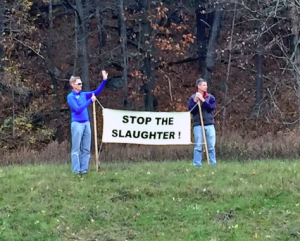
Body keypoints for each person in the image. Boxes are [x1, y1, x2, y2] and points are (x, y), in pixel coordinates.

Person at [67, 70, 108, 174]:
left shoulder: (84, 94)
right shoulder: (70, 97)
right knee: (76, 149)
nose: (81, 85)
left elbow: (96, 92)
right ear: (73, 85)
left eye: (81, 83)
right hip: (77, 124)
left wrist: (104, 80)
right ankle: (76, 171)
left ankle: (84, 170)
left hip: (86, 123)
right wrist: (90, 101)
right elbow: (77, 109)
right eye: (79, 83)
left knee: (86, 148)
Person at [188, 78, 216, 167]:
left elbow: (211, 108)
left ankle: (212, 164)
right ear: (198, 86)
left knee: (211, 146)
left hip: (209, 124)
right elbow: (191, 110)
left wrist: (203, 101)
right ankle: (197, 164)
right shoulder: (192, 98)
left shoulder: (210, 97)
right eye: (204, 85)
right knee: (198, 146)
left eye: (206, 85)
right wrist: (196, 101)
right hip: (198, 125)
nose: (205, 87)